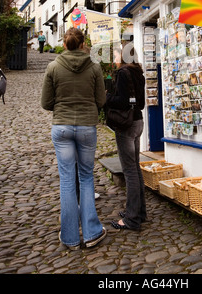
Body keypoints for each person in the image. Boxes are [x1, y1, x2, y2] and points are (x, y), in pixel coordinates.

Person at [41, 27, 106, 250]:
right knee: (86, 177)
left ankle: (69, 237)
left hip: (62, 127)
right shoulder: (95, 67)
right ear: (82, 44)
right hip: (87, 126)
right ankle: (91, 233)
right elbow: (101, 99)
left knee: (67, 180)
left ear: (65, 44)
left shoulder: (53, 67)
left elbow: (46, 103)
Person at [106, 45, 146, 231]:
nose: (114, 59)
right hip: (138, 121)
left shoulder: (123, 73)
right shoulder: (139, 72)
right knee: (135, 168)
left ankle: (131, 219)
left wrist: (107, 98)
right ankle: (139, 211)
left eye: (115, 56)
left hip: (126, 125)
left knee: (129, 170)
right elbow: (141, 103)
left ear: (122, 57)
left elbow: (122, 101)